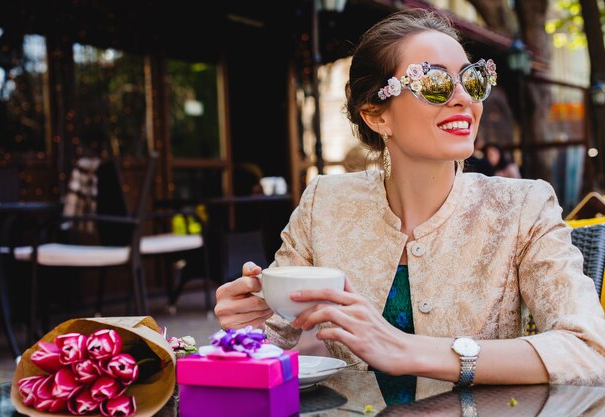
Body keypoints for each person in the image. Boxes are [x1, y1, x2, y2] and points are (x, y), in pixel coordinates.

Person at [214, 9, 605, 387]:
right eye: (435, 83)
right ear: (376, 115)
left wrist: (410, 350)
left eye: (472, 81)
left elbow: (589, 349)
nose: (462, 99)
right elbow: (275, 334)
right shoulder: (325, 202)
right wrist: (248, 329)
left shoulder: (524, 207)